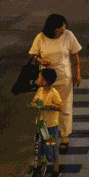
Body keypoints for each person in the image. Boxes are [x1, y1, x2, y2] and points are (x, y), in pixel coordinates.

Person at [29, 14, 82, 153]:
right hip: (46, 79)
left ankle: (64, 136)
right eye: (59, 27)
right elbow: (34, 54)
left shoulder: (68, 35)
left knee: (64, 107)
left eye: (64, 26)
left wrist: (77, 73)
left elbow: (75, 55)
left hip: (64, 77)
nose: (62, 29)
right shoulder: (40, 37)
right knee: (46, 108)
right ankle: (47, 137)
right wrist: (41, 61)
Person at [31, 67, 63, 177]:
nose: (38, 79)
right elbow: (34, 102)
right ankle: (37, 169)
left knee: (51, 147)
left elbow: (60, 106)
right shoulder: (39, 91)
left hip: (51, 127)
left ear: (45, 81)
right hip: (41, 126)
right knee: (38, 147)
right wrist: (34, 104)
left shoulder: (53, 93)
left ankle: (56, 171)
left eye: (39, 77)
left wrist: (51, 107)